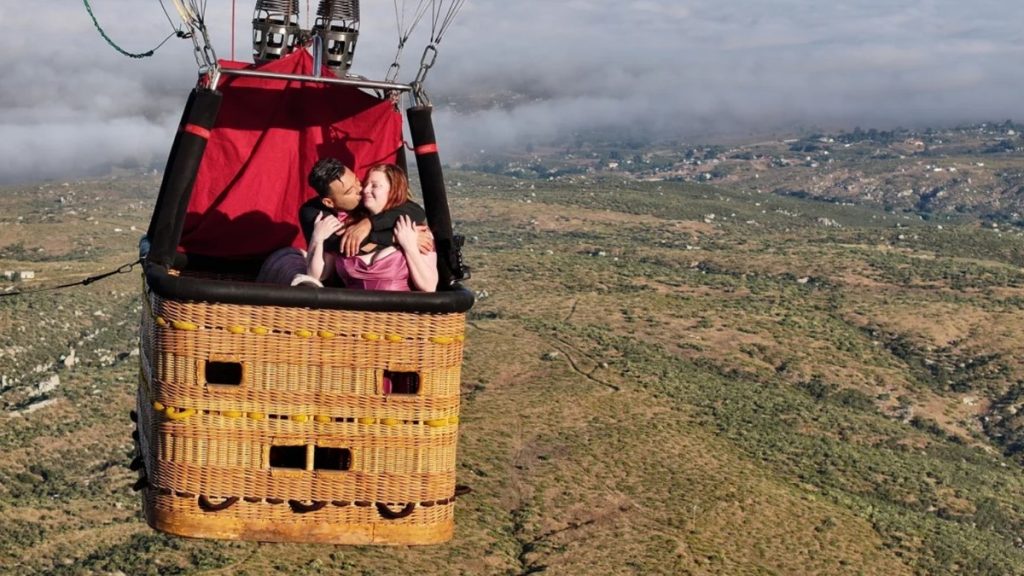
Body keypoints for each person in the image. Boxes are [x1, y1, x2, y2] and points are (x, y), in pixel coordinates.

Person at [307, 163, 437, 292]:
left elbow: (429, 286)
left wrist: (409, 246)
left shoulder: (413, 229)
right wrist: (317, 239)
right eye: (365, 184)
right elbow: (319, 275)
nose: (364, 190)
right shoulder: (349, 227)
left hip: (397, 310)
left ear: (393, 190)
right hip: (351, 309)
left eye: (375, 186)